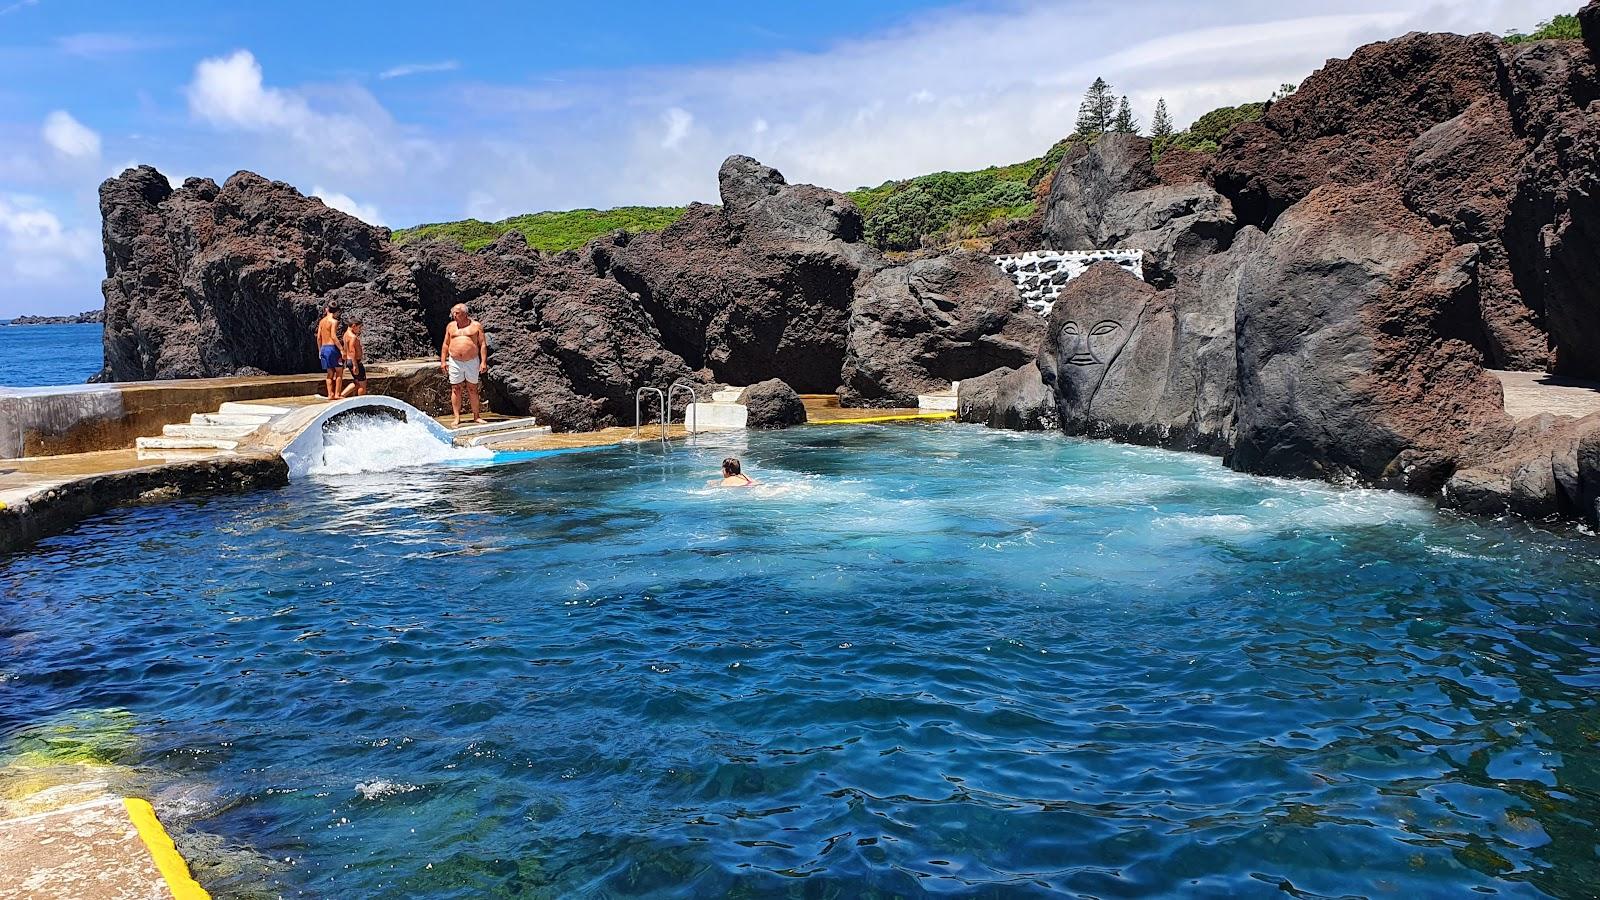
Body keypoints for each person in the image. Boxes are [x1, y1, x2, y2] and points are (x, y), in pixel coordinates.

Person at [440, 303, 488, 427]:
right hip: (455, 361)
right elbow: (446, 344)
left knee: (472, 388)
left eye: (457, 313)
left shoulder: (476, 326)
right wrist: (443, 361)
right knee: (455, 388)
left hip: (471, 360)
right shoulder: (451, 326)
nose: (454, 315)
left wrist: (483, 362)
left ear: (465, 313)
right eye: (453, 313)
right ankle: (457, 417)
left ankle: (476, 416)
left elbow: (482, 344)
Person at [316, 302, 343, 400]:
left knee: (330, 373)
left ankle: (330, 394)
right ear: (337, 311)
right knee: (339, 371)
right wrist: (341, 349)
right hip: (332, 348)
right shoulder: (334, 321)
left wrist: (320, 350)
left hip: (324, 348)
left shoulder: (322, 321)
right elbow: (333, 336)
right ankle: (337, 394)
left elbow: (318, 337)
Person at [339, 316, 368, 397]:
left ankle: (342, 395)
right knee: (362, 384)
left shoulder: (345, 334)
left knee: (357, 382)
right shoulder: (353, 337)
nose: (360, 329)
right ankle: (361, 401)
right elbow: (352, 350)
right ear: (354, 326)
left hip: (349, 361)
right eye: (359, 327)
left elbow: (345, 349)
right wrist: (355, 365)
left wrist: (345, 361)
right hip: (355, 361)